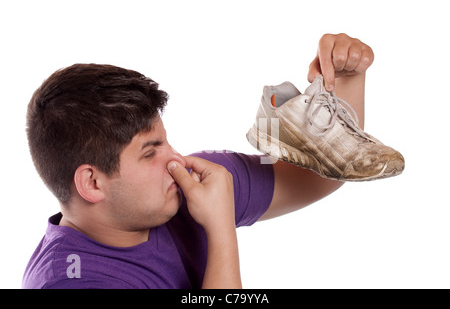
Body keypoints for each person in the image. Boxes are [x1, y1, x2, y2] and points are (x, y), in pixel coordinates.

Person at [22, 33, 374, 289]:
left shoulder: (186, 186)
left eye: (166, 141)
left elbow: (318, 175)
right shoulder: (70, 282)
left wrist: (344, 80)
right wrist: (220, 229)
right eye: (150, 152)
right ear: (92, 183)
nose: (175, 159)